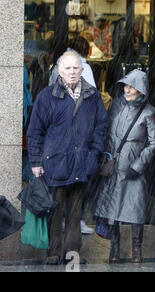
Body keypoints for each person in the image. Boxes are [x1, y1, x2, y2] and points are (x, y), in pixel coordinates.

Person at [27, 51, 109, 265]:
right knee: (54, 209)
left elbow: (101, 126)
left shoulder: (93, 96)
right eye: (67, 68)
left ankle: (73, 252)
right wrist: (36, 161)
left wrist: (94, 153)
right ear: (59, 71)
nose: (72, 72)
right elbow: (35, 131)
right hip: (55, 162)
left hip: (82, 162)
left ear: (82, 70)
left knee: (75, 212)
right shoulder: (47, 96)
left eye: (76, 68)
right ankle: (53, 252)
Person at [94, 69, 155, 263]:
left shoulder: (148, 111)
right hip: (113, 166)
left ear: (142, 90)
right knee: (112, 210)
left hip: (132, 168)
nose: (128, 90)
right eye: (126, 86)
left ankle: (136, 250)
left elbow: (153, 143)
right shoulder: (115, 105)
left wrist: (138, 165)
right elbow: (106, 132)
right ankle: (114, 249)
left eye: (133, 87)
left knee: (134, 209)